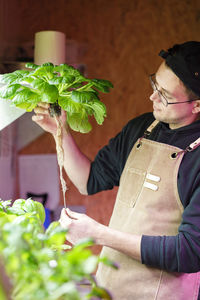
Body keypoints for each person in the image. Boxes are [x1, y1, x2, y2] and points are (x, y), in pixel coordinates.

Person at [33, 41, 200, 300]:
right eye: (154, 83)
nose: (152, 97)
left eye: (164, 94)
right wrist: (60, 132)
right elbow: (89, 180)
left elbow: (190, 252)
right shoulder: (141, 128)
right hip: (111, 289)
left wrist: (99, 234)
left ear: (197, 105)